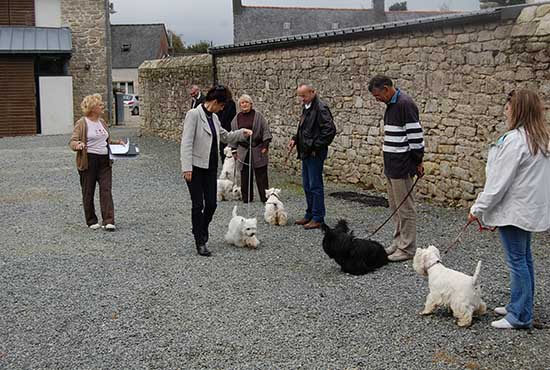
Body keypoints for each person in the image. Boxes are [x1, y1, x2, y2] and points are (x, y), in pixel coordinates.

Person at [469, 89, 550, 329]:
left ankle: (520, 316)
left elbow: (499, 181)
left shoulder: (515, 141)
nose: (505, 110)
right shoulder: (540, 139)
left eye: (508, 106)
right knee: (524, 259)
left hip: (515, 211)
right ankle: (520, 304)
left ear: (517, 109)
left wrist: (478, 208)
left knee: (517, 261)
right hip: (528, 209)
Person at [181, 85, 252, 257]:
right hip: (195, 168)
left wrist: (242, 133)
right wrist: (186, 167)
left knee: (212, 203)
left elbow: (225, 136)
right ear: (214, 102)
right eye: (222, 105)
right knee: (198, 205)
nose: (222, 109)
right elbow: (186, 142)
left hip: (211, 167)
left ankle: (200, 228)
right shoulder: (194, 115)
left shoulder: (214, 118)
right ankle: (200, 241)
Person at [368, 75, 424, 262]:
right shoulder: (391, 105)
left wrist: (417, 162)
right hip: (391, 164)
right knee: (395, 207)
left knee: (405, 208)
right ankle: (398, 241)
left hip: (402, 165)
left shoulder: (405, 104)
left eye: (377, 95)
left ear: (386, 88)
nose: (377, 99)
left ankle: (407, 248)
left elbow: (416, 138)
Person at [69, 94, 125, 231]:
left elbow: (105, 140)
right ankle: (91, 220)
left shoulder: (102, 122)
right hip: (89, 160)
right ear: (93, 108)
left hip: (105, 161)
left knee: (106, 190)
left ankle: (109, 221)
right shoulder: (82, 123)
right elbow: (72, 141)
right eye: (100, 105)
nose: (103, 107)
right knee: (88, 191)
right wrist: (78, 145)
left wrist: (117, 142)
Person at [287, 84, 336, 230]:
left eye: (304, 96)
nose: (302, 99)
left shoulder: (320, 108)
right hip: (306, 152)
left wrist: (315, 145)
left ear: (313, 92)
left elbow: (330, 130)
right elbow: (304, 128)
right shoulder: (307, 107)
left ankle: (318, 217)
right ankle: (309, 214)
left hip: (314, 153)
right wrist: (295, 139)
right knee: (307, 185)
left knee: (315, 186)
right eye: (300, 96)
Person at [230, 94, 272, 203]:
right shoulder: (236, 119)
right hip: (243, 149)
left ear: (251, 104)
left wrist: (265, 146)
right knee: (244, 174)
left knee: (261, 174)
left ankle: (265, 197)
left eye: (246, 102)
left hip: (257, 148)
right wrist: (234, 150)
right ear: (240, 105)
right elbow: (233, 135)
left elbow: (265, 130)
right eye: (242, 103)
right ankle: (247, 198)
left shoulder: (258, 116)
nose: (244, 104)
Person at [218, 87, 237, 164]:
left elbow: (229, 117)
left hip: (227, 129)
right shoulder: (219, 103)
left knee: (227, 152)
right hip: (221, 129)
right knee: (223, 152)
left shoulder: (230, 103)